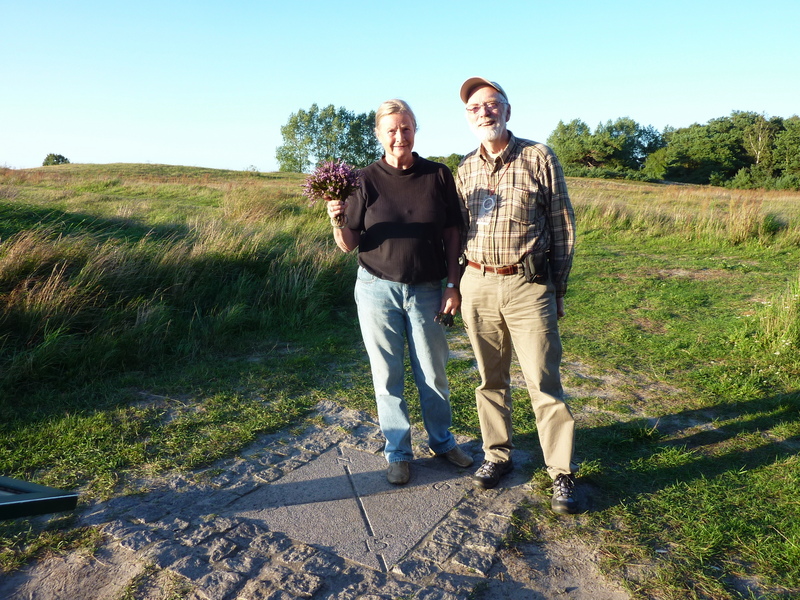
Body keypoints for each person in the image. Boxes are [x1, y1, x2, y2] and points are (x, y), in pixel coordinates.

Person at [326, 99, 473, 485]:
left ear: (414, 131)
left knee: (433, 371)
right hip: (376, 288)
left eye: (405, 128)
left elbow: (452, 232)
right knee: (386, 374)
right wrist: (337, 218)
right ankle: (398, 452)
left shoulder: (438, 175)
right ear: (379, 135)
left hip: (428, 289)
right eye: (390, 129)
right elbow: (348, 244)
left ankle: (442, 442)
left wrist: (453, 283)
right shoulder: (363, 179)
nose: (399, 136)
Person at [455, 78, 579, 514]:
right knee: (490, 379)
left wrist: (557, 289)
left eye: (492, 104)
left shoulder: (538, 156)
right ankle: (497, 456)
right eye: (475, 107)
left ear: (508, 110)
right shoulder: (465, 167)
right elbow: (458, 230)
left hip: (529, 285)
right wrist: (456, 283)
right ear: (467, 117)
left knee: (543, 382)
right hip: (477, 283)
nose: (484, 112)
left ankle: (560, 472)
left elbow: (562, 226)